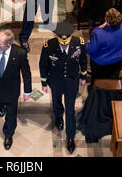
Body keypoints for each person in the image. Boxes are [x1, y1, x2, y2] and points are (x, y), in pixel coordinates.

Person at [39, 22, 87, 154]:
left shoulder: (79, 43)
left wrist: (83, 76)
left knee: (70, 110)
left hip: (71, 81)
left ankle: (70, 137)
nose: (64, 44)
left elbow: (83, 60)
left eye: (66, 42)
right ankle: (58, 116)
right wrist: (43, 82)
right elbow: (43, 65)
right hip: (55, 80)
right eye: (62, 42)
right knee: (56, 100)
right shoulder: (49, 46)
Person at [0, 29, 32, 150]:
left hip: (11, 90)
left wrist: (27, 90)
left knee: (11, 114)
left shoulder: (20, 53)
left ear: (8, 45)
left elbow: (26, 73)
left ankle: (8, 134)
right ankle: (0, 106)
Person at [85, 8, 122, 84]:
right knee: (114, 78)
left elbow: (90, 49)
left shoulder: (99, 33)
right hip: (118, 58)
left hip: (101, 62)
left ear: (106, 19)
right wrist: (107, 24)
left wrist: (87, 43)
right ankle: (111, 91)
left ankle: (96, 92)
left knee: (98, 81)